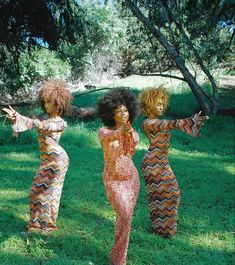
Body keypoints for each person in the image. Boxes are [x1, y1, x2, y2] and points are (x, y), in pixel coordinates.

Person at [3, 80, 72, 233]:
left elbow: (48, 127)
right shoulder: (41, 118)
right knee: (36, 191)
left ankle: (47, 226)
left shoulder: (61, 123)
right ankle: (35, 225)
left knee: (51, 193)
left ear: (58, 103)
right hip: (46, 160)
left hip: (58, 161)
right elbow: (28, 123)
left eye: (49, 102)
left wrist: (32, 122)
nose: (46, 105)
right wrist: (16, 118)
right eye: (45, 102)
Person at [139, 87, 209, 238]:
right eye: (158, 104)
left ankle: (165, 228)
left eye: (163, 104)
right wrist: (188, 121)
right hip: (152, 164)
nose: (162, 107)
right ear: (149, 104)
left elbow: (173, 126)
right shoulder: (147, 123)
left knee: (173, 193)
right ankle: (162, 230)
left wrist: (193, 127)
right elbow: (169, 124)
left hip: (163, 162)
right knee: (160, 195)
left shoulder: (160, 122)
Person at [98, 88, 140, 265]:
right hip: (113, 180)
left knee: (126, 218)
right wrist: (122, 130)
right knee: (123, 214)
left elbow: (130, 147)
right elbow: (113, 135)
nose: (123, 114)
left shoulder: (133, 134)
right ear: (111, 114)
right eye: (118, 111)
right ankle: (117, 257)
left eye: (125, 110)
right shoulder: (103, 132)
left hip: (131, 179)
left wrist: (128, 132)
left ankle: (118, 258)